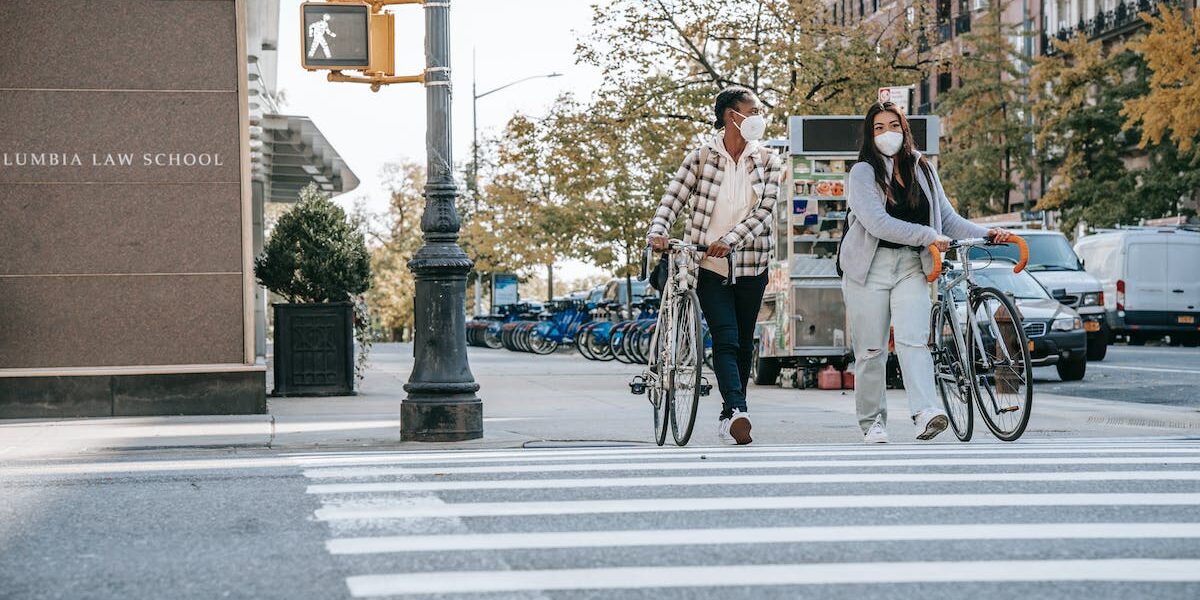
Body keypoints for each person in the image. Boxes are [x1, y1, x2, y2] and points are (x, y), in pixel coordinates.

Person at [839, 102, 1015, 443]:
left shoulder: (923, 168)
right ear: (869, 134)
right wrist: (927, 236)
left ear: (904, 130)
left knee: (914, 341)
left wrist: (987, 232)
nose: (886, 133)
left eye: (893, 125)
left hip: (911, 266)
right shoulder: (861, 172)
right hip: (868, 268)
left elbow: (947, 220)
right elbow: (877, 223)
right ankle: (873, 422)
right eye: (878, 128)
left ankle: (925, 413)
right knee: (871, 351)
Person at [646, 86, 783, 445]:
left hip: (751, 262)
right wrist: (658, 231)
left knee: (744, 342)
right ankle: (738, 410)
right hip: (706, 261)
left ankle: (730, 413)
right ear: (730, 116)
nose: (758, 117)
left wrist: (732, 240)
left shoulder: (769, 160)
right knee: (725, 336)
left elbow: (765, 212)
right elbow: (673, 198)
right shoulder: (702, 158)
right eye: (751, 111)